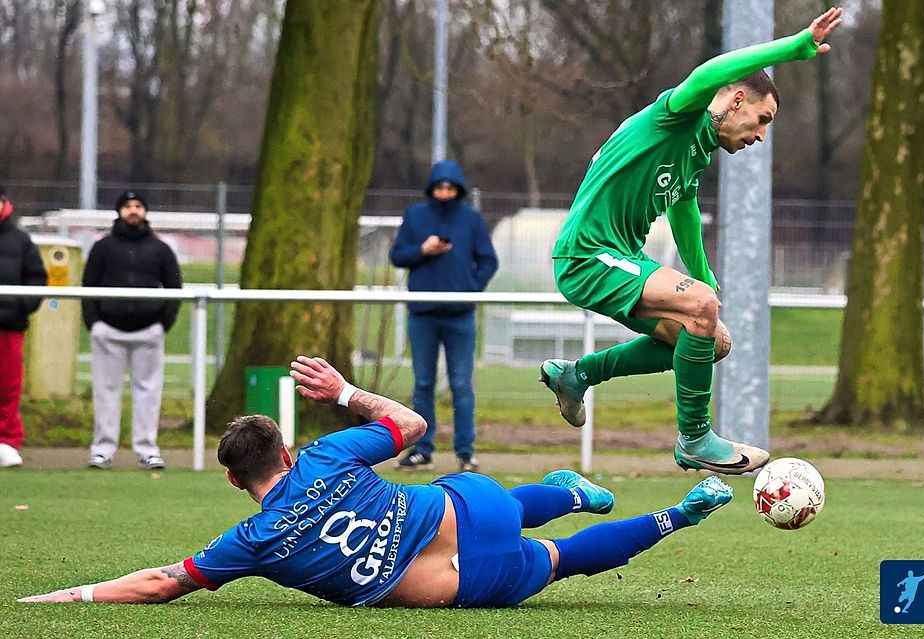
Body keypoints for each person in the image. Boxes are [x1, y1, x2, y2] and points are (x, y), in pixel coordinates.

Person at [18, 355, 733, 608]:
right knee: (502, 504)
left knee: (559, 562)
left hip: (459, 587)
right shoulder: (326, 458)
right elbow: (414, 424)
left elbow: (161, 582)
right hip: (462, 507)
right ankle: (574, 493)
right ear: (291, 452)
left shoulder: (254, 540)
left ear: (236, 483)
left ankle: (683, 513)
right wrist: (345, 392)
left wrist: (68, 594)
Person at [540, 8, 844, 475]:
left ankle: (577, 375)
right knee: (700, 309)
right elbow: (710, 71)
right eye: (762, 119)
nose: (762, 136)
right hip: (587, 255)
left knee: (711, 339)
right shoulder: (677, 116)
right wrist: (795, 46)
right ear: (738, 98)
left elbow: (683, 205)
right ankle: (696, 439)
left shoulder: (696, 146)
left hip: (617, 257)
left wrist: (702, 276)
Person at [389, 160, 498, 472]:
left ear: (458, 189)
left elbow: (488, 260)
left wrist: (471, 289)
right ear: (431, 188)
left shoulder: (471, 220)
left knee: (461, 385)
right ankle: (422, 449)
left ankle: (465, 453)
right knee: (423, 383)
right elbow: (398, 256)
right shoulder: (415, 216)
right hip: (422, 314)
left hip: (460, 316)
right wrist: (423, 250)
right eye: (439, 187)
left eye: (450, 187)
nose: (445, 192)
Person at [82, 191, 182, 470]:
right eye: (127, 206)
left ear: (145, 211)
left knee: (148, 393)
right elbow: (87, 287)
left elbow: (175, 289)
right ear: (119, 211)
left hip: (148, 332)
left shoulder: (161, 249)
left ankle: (147, 449)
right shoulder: (103, 248)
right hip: (108, 332)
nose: (133, 210)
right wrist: (95, 324)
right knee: (105, 391)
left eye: (138, 205)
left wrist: (161, 325)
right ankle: (102, 450)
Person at [0, 187, 47, 468]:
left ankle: (7, 441)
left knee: (7, 386)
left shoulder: (20, 240)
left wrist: (20, 307)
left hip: (9, 326)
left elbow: (36, 279)